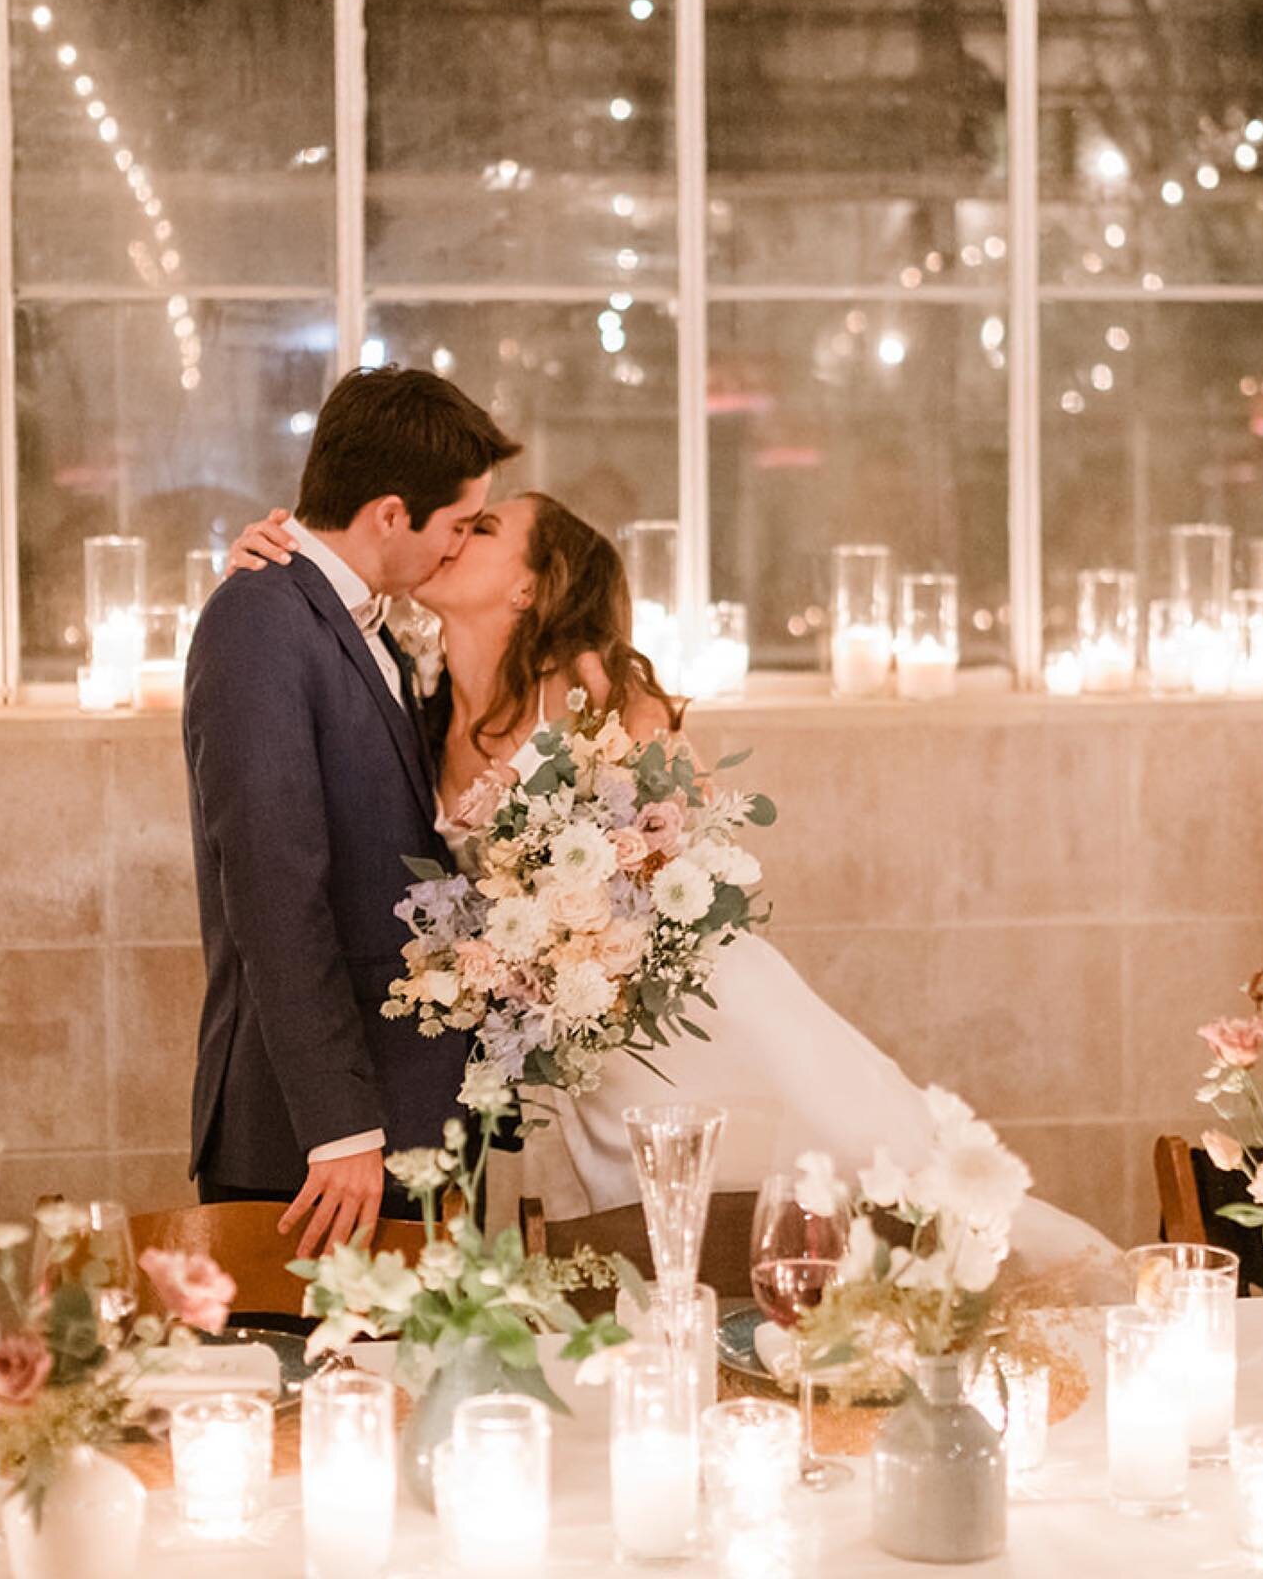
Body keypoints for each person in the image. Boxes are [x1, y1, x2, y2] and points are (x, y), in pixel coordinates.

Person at [228, 490, 1117, 1270]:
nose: (452, 533)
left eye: (484, 527)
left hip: (702, 1016)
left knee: (854, 1175)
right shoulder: (412, 698)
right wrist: (271, 561)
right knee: (629, 1245)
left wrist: (583, 917)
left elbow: (670, 844)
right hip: (576, 1051)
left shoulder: (592, 688)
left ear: (529, 584)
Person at [184, 366, 519, 1258]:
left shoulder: (370, 632)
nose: (457, 549)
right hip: (319, 1142)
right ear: (387, 514)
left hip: (402, 1109)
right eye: (454, 527)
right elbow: (273, 884)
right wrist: (339, 1126)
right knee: (308, 1397)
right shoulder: (259, 619)